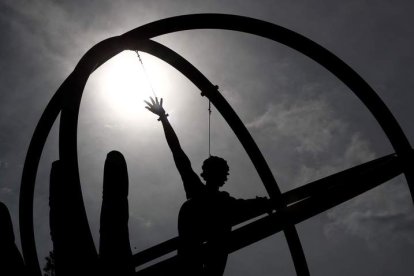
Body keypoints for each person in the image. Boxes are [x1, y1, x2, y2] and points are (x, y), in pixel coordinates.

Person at [145, 97, 273, 276]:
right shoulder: (198, 191)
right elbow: (177, 151)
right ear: (207, 174)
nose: (221, 176)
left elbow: (247, 205)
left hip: (211, 257)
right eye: (217, 171)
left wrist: (263, 204)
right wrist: (164, 119)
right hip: (192, 256)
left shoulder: (225, 201)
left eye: (222, 172)